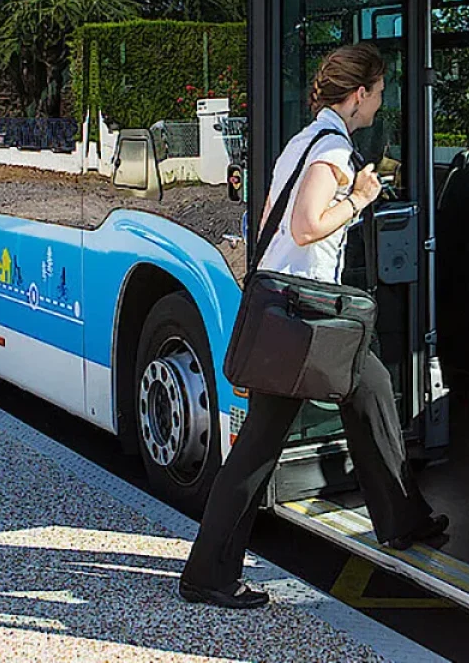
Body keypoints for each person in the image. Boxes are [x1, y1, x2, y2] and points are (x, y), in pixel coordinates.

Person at [179, 43, 447, 609]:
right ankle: (208, 574)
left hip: (299, 310)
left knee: (371, 390)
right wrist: (361, 199)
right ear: (357, 96)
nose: (380, 102)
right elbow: (305, 227)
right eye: (377, 93)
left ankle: (403, 519)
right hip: (303, 316)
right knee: (257, 447)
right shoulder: (331, 153)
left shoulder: (305, 142)